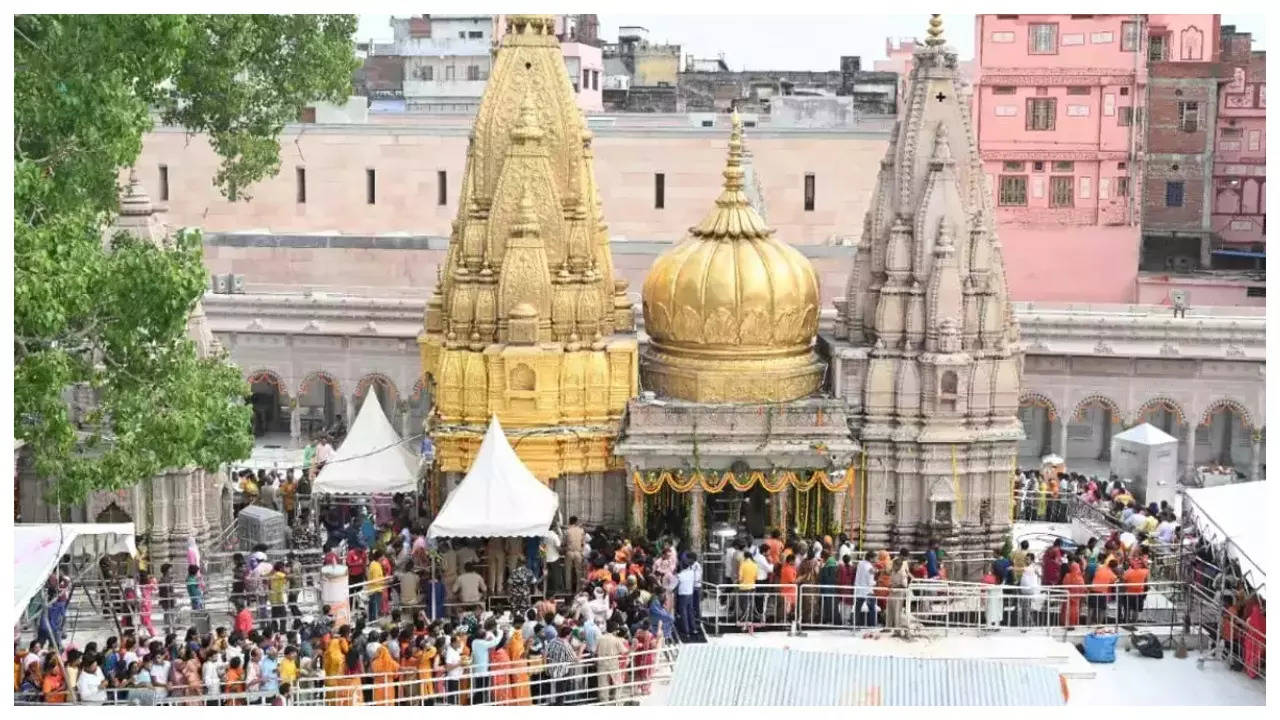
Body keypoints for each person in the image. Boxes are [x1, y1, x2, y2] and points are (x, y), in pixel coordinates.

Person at [854, 551, 878, 627]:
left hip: (859, 589)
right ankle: (872, 625)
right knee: (872, 609)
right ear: (871, 558)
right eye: (875, 558)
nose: (876, 559)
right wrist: (876, 583)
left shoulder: (860, 563)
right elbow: (870, 582)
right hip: (868, 591)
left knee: (857, 608)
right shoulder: (870, 568)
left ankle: (854, 624)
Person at [565, 517, 586, 593]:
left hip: (569, 552)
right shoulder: (581, 531)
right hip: (578, 553)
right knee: (579, 572)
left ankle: (568, 589)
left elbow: (563, 542)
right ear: (576, 522)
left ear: (570, 522)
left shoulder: (567, 531)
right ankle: (578, 590)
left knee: (568, 571)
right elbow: (583, 543)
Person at [1061, 562, 1085, 628]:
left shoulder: (1067, 576)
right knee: (1074, 611)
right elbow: (1082, 588)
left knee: (1066, 610)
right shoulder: (1080, 578)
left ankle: (1065, 624)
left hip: (1067, 597)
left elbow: (1064, 586)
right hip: (1076, 598)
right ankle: (1073, 624)